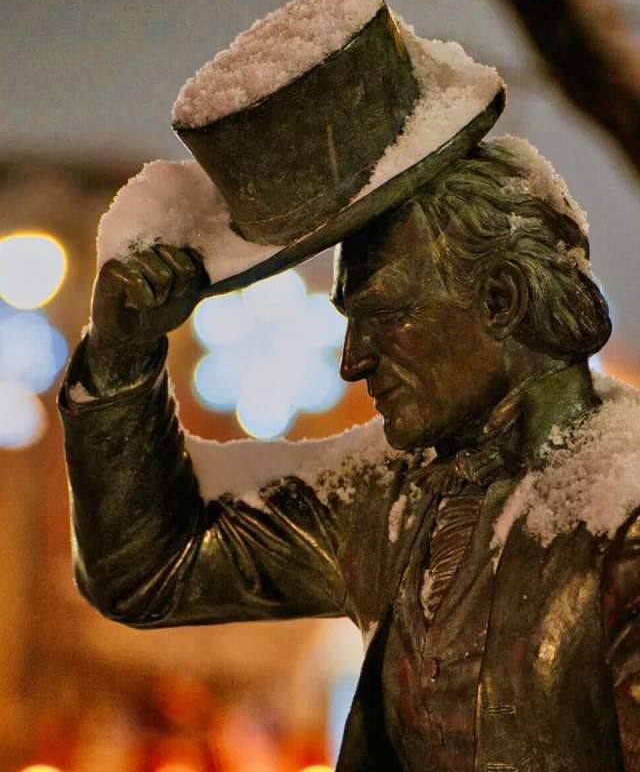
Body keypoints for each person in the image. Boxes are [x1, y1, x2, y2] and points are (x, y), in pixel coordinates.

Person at [59, 140, 640, 771]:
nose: (352, 360)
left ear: (501, 301)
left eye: (383, 315)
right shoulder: (385, 495)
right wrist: (121, 361)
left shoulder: (623, 506)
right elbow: (146, 576)